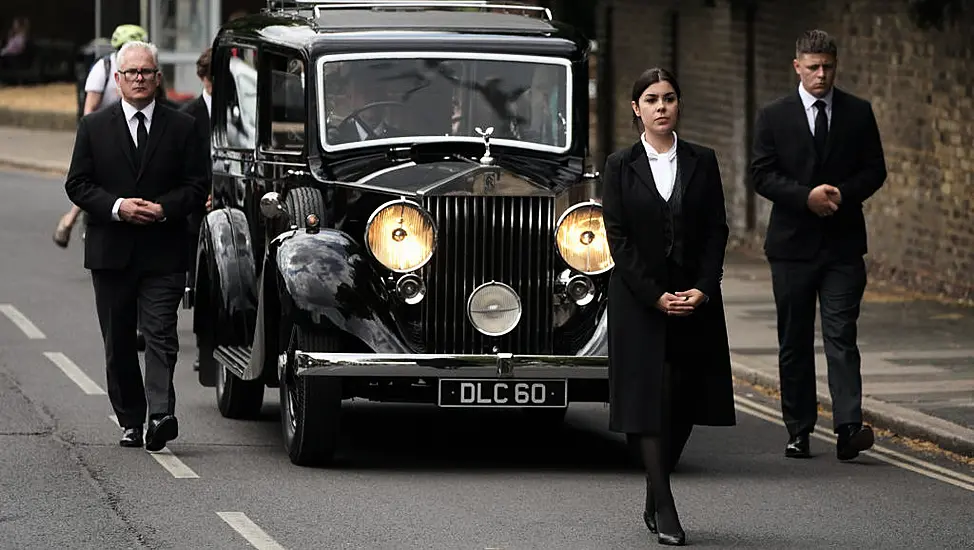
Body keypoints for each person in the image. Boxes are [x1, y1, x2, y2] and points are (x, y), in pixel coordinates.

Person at [602, 67, 736, 546]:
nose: (662, 107)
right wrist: (653, 295)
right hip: (640, 301)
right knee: (649, 403)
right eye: (652, 99)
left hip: (693, 298)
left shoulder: (703, 160)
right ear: (636, 108)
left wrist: (703, 287)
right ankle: (666, 504)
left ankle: (652, 490)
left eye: (670, 98)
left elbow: (717, 230)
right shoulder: (619, 165)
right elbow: (617, 237)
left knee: (682, 401)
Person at [64, 40, 207, 452]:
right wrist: (118, 206)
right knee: (119, 340)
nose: (139, 79)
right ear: (118, 79)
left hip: (163, 250)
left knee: (161, 334)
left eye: (146, 72)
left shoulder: (182, 126)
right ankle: (130, 417)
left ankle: (160, 414)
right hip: (111, 253)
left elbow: (198, 186)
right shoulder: (93, 127)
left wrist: (163, 210)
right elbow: (77, 183)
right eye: (131, 73)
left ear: (158, 78)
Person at [750, 29, 887, 461]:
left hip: (843, 247)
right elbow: (761, 175)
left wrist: (843, 194)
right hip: (791, 247)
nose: (821, 75)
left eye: (827, 66)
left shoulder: (858, 113)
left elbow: (875, 170)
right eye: (813, 67)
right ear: (797, 67)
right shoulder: (774, 115)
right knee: (793, 340)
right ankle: (798, 428)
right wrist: (804, 197)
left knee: (841, 336)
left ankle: (848, 427)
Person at [54, 24, 149, 249]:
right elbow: (90, 108)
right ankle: (72, 220)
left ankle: (71, 219)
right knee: (95, 179)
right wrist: (96, 137)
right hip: (106, 133)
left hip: (134, 130)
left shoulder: (143, 71)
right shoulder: (103, 68)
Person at [180, 47, 214, 371]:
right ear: (205, 79)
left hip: (230, 200)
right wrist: (202, 195)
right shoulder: (188, 115)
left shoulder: (243, 110)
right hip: (198, 207)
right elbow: (187, 164)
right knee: (200, 278)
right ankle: (205, 342)